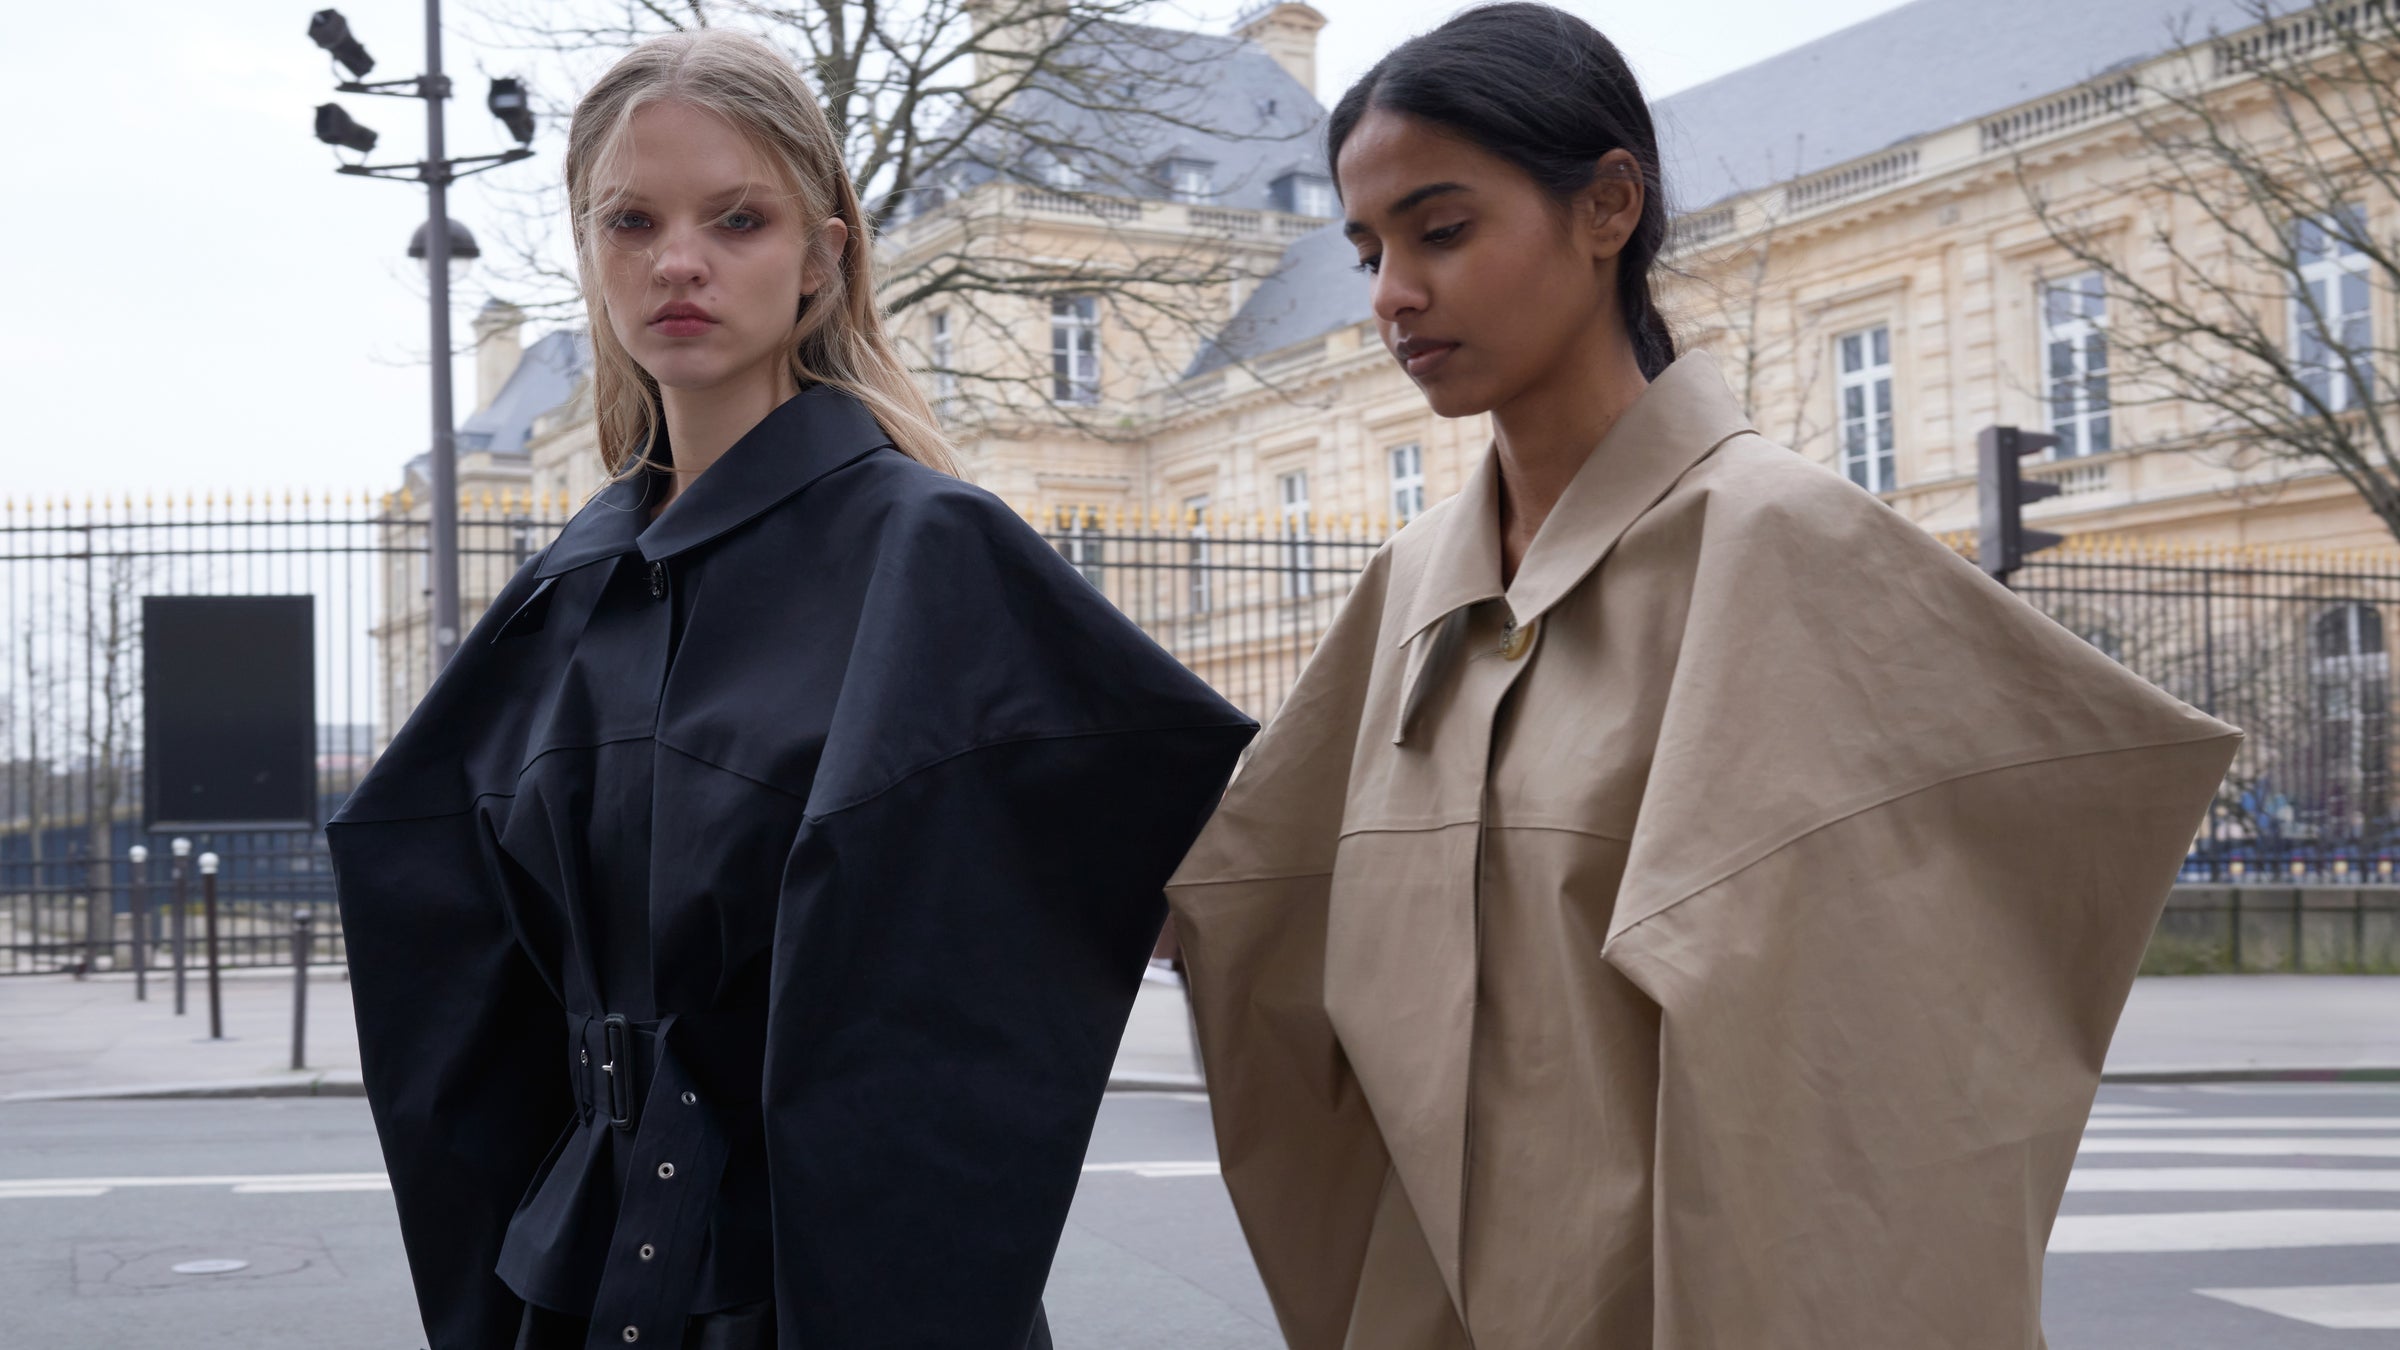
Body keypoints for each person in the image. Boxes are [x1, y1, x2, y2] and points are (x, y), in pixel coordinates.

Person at [1163, 6, 2241, 1347]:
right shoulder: (1408, 594)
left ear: (1609, 204)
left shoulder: (1787, 551)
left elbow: (1864, 1107)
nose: (1391, 292)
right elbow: (1237, 901)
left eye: (1441, 231)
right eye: (1370, 247)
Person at [325, 29, 1254, 1350]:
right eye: (631, 221)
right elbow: (457, 958)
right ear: (592, 258)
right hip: (577, 1270)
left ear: (823, 255)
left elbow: (1173, 867)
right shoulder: (566, 593)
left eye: (737, 218)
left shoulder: (931, 550)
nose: (678, 260)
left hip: (840, 1272)